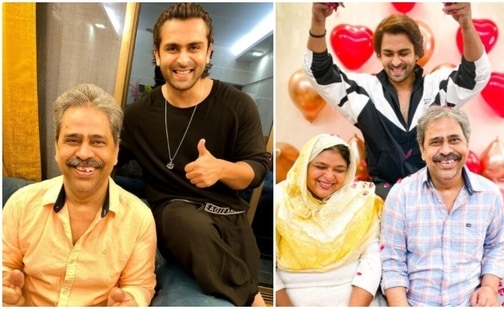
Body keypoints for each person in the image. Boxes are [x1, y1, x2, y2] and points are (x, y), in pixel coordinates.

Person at [117, 3, 271, 306]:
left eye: (194, 47)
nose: (183, 59)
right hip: (175, 215)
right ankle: (254, 299)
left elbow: (258, 168)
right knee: (183, 220)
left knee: (242, 254)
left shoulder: (238, 105)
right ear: (157, 53)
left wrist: (222, 170)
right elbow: (110, 159)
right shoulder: (137, 117)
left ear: (209, 51)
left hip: (230, 221)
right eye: (172, 48)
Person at [303, 3, 491, 199]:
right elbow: (320, 73)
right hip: (384, 198)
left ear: (417, 53)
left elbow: (476, 75)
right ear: (378, 54)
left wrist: (466, 24)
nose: (395, 62)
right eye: (388, 54)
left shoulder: (437, 87)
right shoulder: (364, 90)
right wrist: (318, 19)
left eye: (403, 53)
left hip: (435, 196)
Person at [2, 84, 157, 306]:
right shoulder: (21, 204)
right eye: (73, 140)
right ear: (56, 147)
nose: (84, 153)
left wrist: (130, 300)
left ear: (115, 152)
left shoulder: (139, 218)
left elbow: (139, 285)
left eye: (97, 142)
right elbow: (5, 265)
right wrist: (5, 288)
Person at [380, 106, 504, 306]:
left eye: (454, 139)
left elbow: (496, 245)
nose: (446, 150)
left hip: (470, 303)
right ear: (422, 151)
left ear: (467, 144)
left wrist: (489, 288)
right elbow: (392, 260)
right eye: (435, 142)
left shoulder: (489, 194)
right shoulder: (401, 195)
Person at [275, 133, 384, 306]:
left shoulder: (362, 202)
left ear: (348, 172)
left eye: (339, 170)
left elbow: (372, 261)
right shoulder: (280, 201)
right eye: (321, 166)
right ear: (305, 166)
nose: (329, 176)